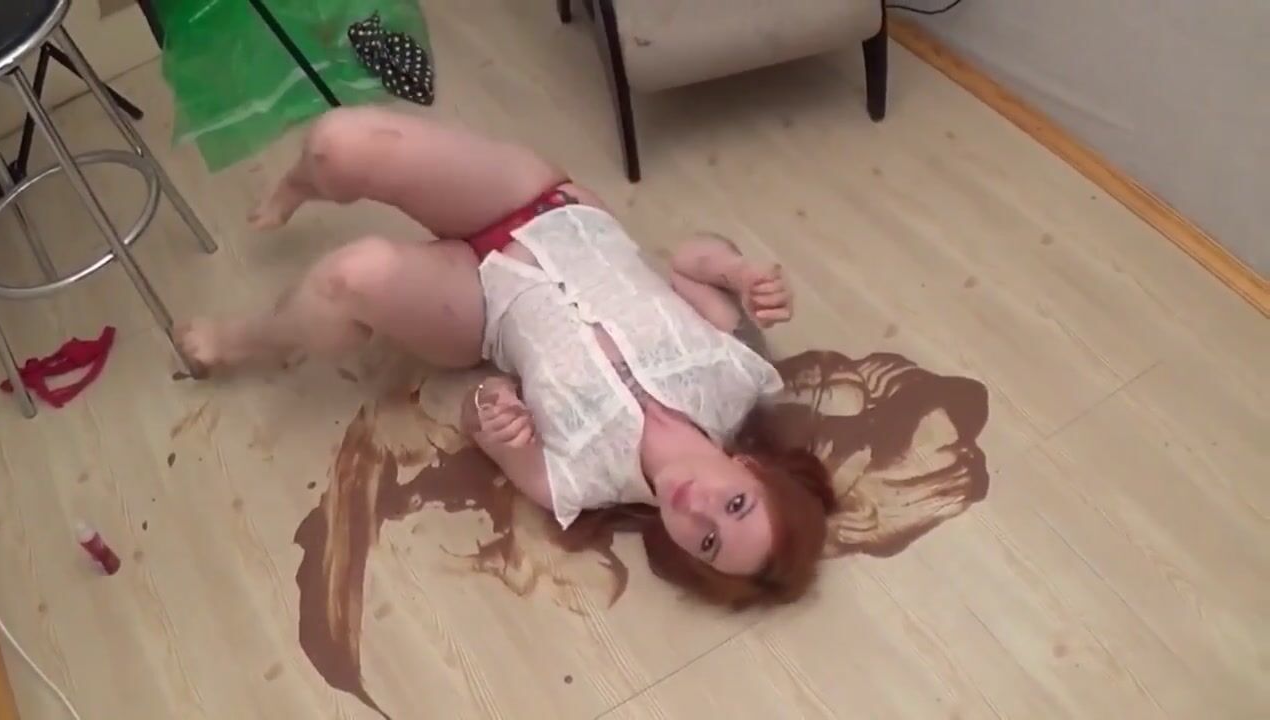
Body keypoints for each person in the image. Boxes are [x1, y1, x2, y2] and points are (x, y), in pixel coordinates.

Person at [180, 106, 836, 607]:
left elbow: (477, 413)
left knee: (348, 280)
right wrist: (738, 271)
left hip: (479, 304)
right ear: (751, 468)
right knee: (337, 145)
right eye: (736, 505)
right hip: (544, 206)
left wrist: (495, 412)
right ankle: (301, 183)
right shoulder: (737, 373)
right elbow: (690, 258)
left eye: (708, 542)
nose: (700, 510)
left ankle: (249, 339)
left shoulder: (576, 484)